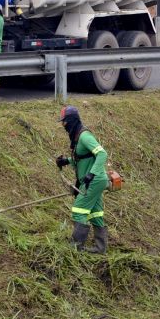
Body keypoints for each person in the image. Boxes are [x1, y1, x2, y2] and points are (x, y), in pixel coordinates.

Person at [56, 106, 110, 254]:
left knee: (78, 211)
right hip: (93, 181)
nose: (63, 126)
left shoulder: (85, 137)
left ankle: (76, 247)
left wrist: (91, 174)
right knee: (95, 213)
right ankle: (100, 248)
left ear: (72, 121)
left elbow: (102, 154)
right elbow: (81, 160)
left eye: (65, 122)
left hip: (95, 180)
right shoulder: (76, 137)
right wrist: (66, 161)